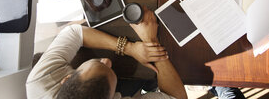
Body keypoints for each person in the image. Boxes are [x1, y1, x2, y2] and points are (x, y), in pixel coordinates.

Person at [26, 7, 188, 99]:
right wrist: (151, 41)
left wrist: (129, 48)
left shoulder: (38, 82)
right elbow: (178, 97)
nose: (107, 61)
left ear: (66, 79)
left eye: (97, 63)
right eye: (109, 70)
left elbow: (74, 33)